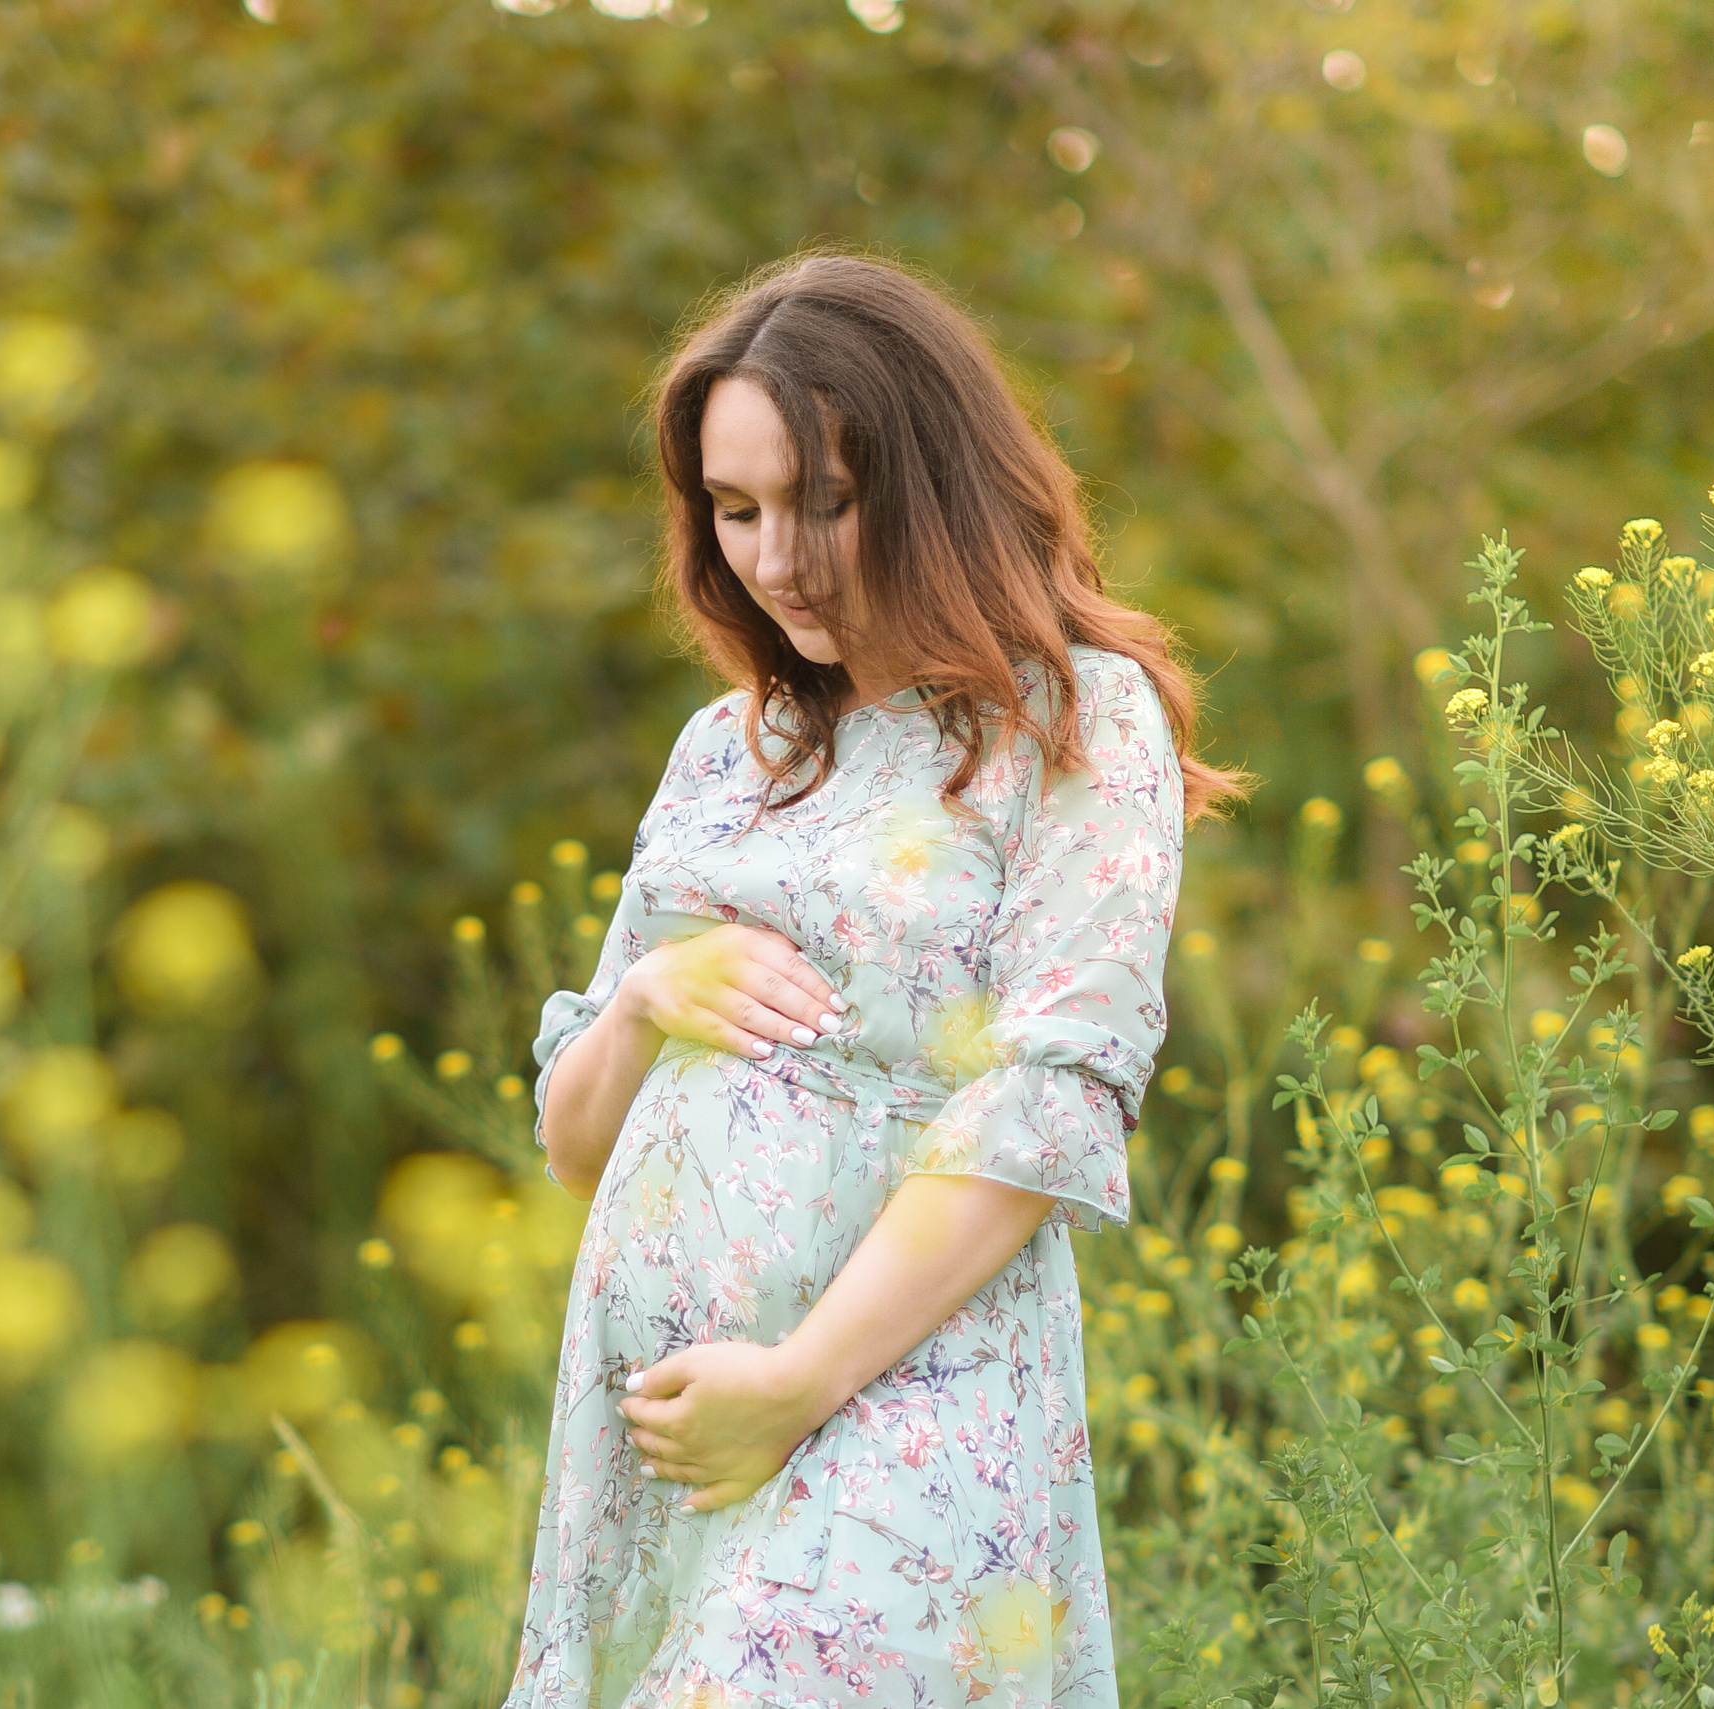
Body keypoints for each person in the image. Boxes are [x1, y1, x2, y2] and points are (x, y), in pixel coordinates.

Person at [504, 253, 1244, 1709]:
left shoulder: (1077, 725)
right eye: (738, 509)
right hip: (671, 1425)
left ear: (938, 483)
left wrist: (798, 1381)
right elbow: (576, 1144)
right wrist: (652, 995)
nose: (778, 559)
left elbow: (1047, 1105)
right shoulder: (729, 749)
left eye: (826, 502)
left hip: (900, 1393)